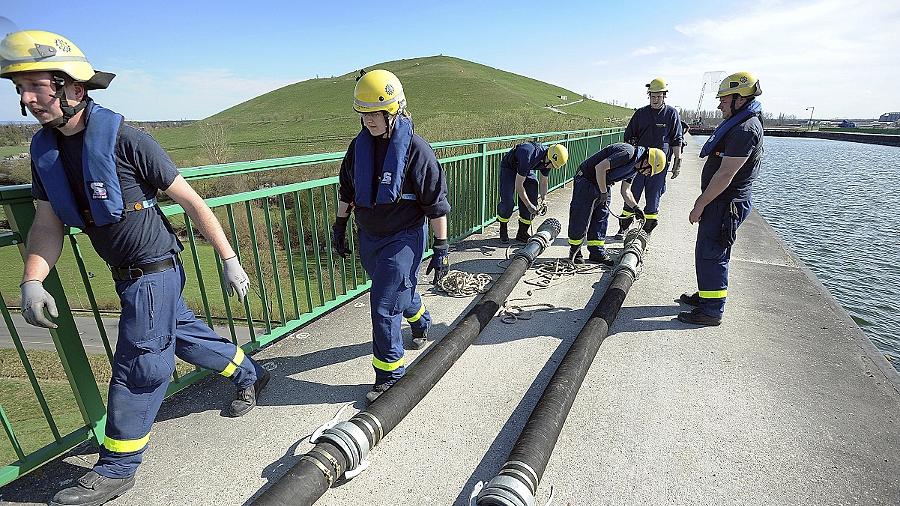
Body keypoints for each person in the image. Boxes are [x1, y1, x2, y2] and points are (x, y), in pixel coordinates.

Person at [1, 30, 270, 505]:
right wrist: (32, 279)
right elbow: (47, 221)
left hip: (154, 270)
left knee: (140, 365)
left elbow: (191, 202)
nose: (25, 98)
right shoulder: (45, 154)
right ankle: (250, 372)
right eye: (18, 88)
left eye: (34, 86)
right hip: (128, 275)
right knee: (185, 336)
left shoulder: (126, 140)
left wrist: (230, 259)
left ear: (73, 89)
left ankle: (116, 468)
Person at [331, 69, 450, 403]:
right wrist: (339, 226)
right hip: (369, 235)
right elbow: (347, 190)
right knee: (399, 292)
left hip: (403, 237)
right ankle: (421, 320)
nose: (369, 120)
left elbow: (436, 203)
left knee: (383, 306)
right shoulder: (358, 149)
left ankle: (389, 376)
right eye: (364, 113)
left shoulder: (416, 149)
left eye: (375, 113)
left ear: (394, 110)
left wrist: (441, 248)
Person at [678, 71, 763, 326]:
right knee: (706, 252)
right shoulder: (740, 122)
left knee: (713, 254)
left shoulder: (745, 129)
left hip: (726, 204)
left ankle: (711, 311)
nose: (719, 105)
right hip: (721, 203)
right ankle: (707, 297)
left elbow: (726, 174)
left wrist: (700, 203)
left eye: (723, 101)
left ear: (740, 98)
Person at [567, 143, 665, 265]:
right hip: (587, 180)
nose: (647, 175)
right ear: (646, 163)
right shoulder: (627, 154)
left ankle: (596, 252)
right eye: (649, 172)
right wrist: (603, 191)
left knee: (601, 218)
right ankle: (575, 251)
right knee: (581, 217)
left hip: (603, 182)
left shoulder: (634, 169)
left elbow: (626, 191)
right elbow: (600, 168)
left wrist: (636, 208)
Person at [616, 78, 683, 237]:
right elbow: (629, 136)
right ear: (649, 95)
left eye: (658, 97)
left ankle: (646, 231)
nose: (655, 100)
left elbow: (677, 139)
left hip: (659, 166)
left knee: (653, 198)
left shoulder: (671, 114)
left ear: (664, 96)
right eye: (652, 96)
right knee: (632, 193)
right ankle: (624, 227)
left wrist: (677, 161)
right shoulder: (641, 113)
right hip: (639, 163)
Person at [496, 142, 568, 243]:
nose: (552, 168)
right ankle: (503, 228)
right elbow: (519, 186)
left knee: (532, 194)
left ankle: (522, 233)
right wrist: (529, 206)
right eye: (552, 165)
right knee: (508, 202)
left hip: (526, 169)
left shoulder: (549, 160)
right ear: (549, 158)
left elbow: (543, 182)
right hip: (510, 168)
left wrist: (544, 199)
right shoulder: (529, 155)